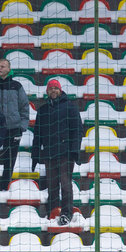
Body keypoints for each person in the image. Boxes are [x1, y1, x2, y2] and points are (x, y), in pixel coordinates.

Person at [31, 79, 84, 226]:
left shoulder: (70, 107)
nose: (53, 91)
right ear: (47, 91)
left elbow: (78, 130)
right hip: (49, 154)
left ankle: (66, 213)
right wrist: (35, 156)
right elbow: (38, 135)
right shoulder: (42, 110)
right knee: (52, 185)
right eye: (50, 89)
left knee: (66, 185)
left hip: (66, 153)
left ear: (60, 90)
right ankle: (53, 212)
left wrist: (75, 151)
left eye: (55, 88)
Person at [0, 58, 29, 189]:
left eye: (3, 66)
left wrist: (22, 127)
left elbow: (24, 107)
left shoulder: (17, 86)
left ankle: (4, 187)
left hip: (13, 129)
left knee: (10, 160)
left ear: (9, 69)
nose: (0, 68)